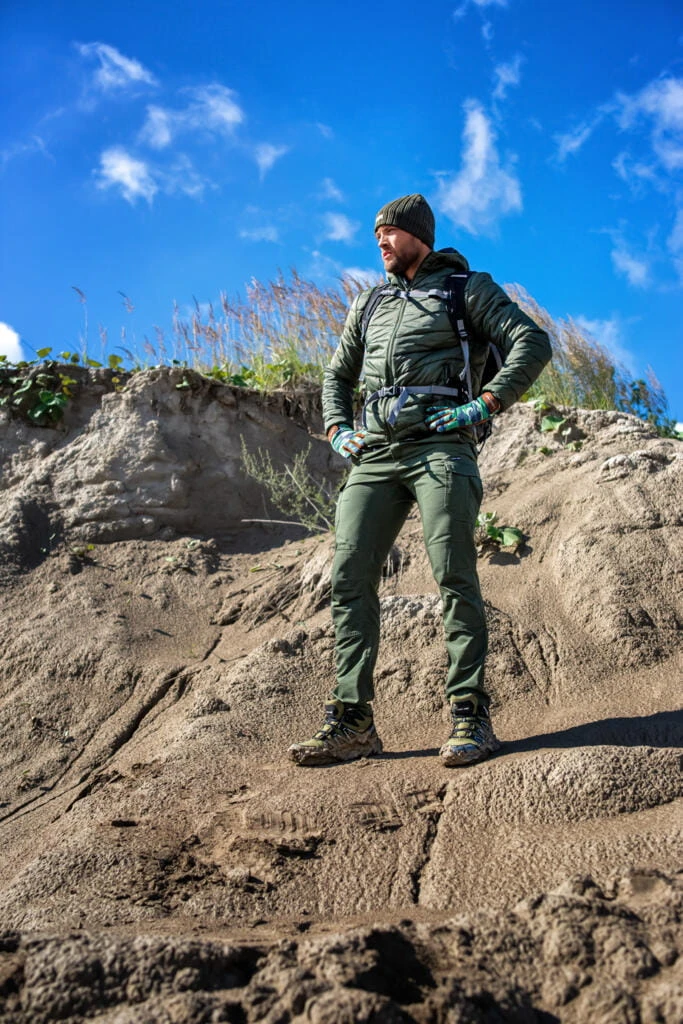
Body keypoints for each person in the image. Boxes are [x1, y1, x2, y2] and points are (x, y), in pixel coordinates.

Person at [288, 193, 552, 768]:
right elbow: (337, 374)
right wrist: (337, 428)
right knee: (349, 577)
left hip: (441, 446)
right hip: (376, 454)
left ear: (419, 235)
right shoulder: (369, 303)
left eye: (389, 231)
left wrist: (485, 404)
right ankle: (353, 721)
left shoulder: (465, 288)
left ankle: (470, 715)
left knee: (454, 573)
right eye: (376, 234)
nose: (380, 241)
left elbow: (531, 342)